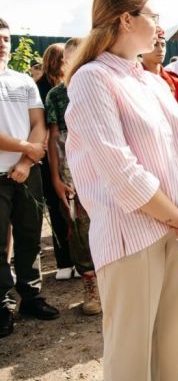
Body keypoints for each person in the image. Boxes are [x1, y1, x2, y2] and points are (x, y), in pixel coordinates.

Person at [65, 0, 178, 379]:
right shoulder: (93, 79)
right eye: (154, 16)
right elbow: (121, 171)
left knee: (171, 350)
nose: (160, 26)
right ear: (126, 19)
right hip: (132, 236)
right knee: (130, 359)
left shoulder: (153, 81)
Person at [0, 17, 59, 339]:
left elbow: (38, 122)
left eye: (6, 39)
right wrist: (28, 148)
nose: (2, 44)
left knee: (29, 238)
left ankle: (31, 296)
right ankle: (3, 304)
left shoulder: (22, 81)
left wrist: (25, 160)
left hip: (27, 173)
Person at [44, 37, 101, 316]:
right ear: (64, 63)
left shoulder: (101, 87)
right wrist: (55, 177)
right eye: (72, 59)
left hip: (103, 165)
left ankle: (113, 283)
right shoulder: (56, 95)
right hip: (72, 170)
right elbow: (55, 138)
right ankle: (91, 284)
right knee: (79, 227)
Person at [37, 43, 75, 280]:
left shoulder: (71, 87)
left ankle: (73, 261)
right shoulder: (47, 90)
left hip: (59, 150)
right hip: (52, 151)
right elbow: (50, 131)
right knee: (60, 204)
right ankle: (65, 260)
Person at [141, 28, 178, 106]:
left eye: (163, 45)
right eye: (155, 44)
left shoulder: (175, 81)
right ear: (142, 48)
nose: (161, 49)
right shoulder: (131, 78)